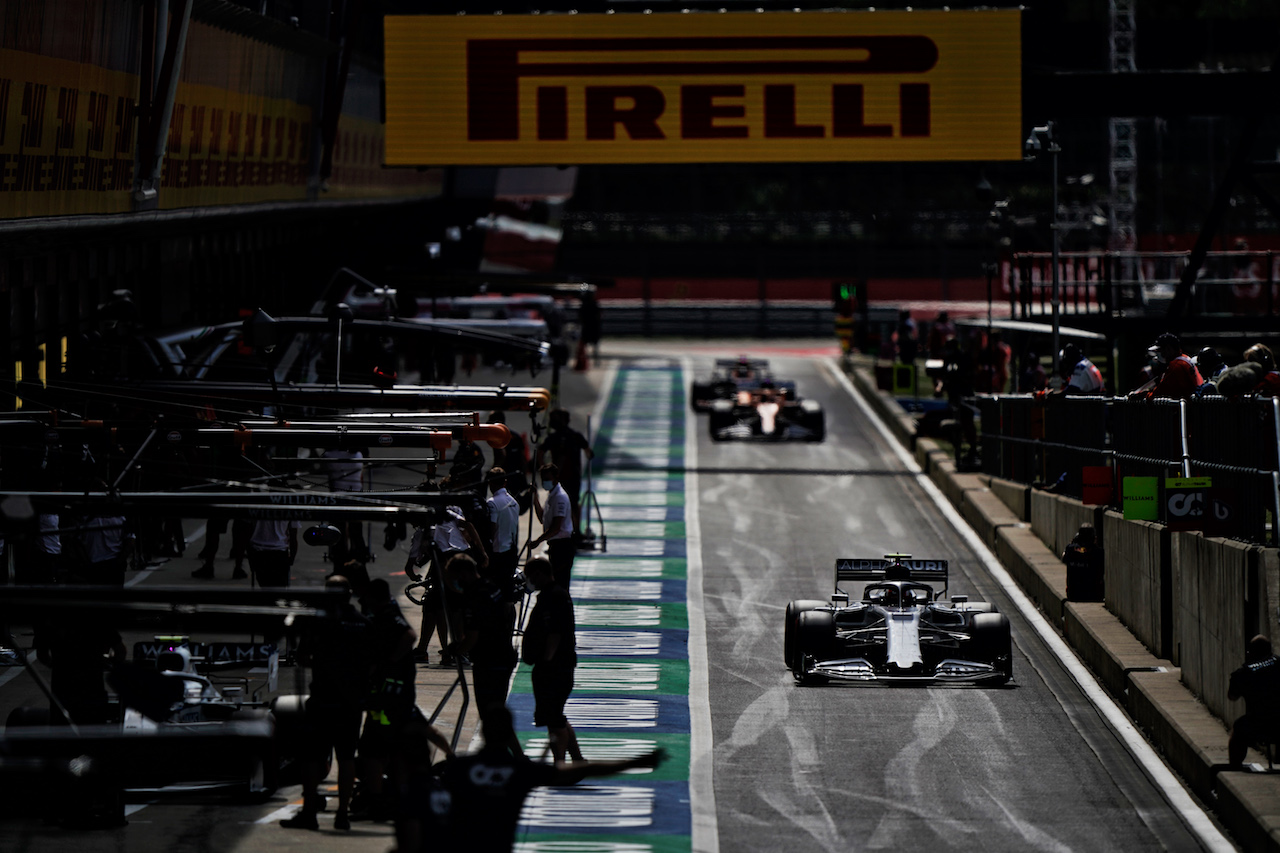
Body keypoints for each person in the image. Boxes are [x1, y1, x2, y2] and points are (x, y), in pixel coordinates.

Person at [397, 704, 663, 853]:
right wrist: (633, 762)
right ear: (509, 733)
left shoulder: (457, 769)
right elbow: (584, 769)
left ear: (486, 731)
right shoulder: (521, 772)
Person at [281, 575, 371, 831]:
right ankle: (342, 814)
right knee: (346, 757)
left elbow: (302, 657)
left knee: (311, 757)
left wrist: (323, 664)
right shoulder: (363, 623)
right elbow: (372, 662)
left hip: (323, 698)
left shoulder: (319, 622)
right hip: (351, 702)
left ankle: (309, 812)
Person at [354, 578, 418, 822]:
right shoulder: (383, 614)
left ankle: (379, 801)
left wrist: (388, 663)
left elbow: (409, 636)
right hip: (389, 695)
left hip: (389, 697)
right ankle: (389, 797)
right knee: (385, 747)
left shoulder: (388, 615)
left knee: (371, 749)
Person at [443, 554, 520, 729]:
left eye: (454, 578)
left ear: (463, 573)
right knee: (495, 714)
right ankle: (512, 754)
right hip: (501, 654)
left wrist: (456, 650)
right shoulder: (489, 587)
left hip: (490, 660)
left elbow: (472, 636)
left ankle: (510, 754)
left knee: (491, 715)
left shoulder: (476, 596)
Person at [520, 556, 582, 766]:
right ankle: (577, 761)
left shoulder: (554, 596)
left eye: (530, 575)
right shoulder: (550, 595)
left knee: (554, 720)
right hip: (555, 666)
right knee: (557, 717)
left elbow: (555, 633)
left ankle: (560, 764)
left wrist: (546, 661)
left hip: (555, 667)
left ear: (539, 573)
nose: (529, 580)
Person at [536, 409, 594, 537]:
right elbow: (589, 452)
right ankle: (576, 531)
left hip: (561, 477)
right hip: (570, 476)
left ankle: (573, 531)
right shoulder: (573, 436)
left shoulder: (556, 437)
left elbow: (540, 452)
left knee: (563, 503)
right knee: (571, 504)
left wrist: (544, 469)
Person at [1227, 634, 1280, 768]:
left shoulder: (1243, 673)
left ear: (1250, 653)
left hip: (1257, 723)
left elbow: (1232, 696)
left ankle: (1235, 766)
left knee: (1238, 728)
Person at [934, 337, 979, 470]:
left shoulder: (964, 359)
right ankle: (958, 447)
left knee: (967, 423)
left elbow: (970, 377)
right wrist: (940, 387)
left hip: (965, 398)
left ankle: (972, 449)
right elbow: (942, 377)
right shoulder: (948, 361)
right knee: (950, 425)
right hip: (953, 399)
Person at [321, 441, 369, 564]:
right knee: (356, 530)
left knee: (338, 531)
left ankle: (339, 559)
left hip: (338, 498)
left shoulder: (329, 456)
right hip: (356, 497)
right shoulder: (358, 455)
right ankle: (359, 558)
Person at [532, 463, 575, 588]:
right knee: (555, 582)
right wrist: (535, 498)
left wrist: (538, 541)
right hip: (555, 546)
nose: (545, 482)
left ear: (556, 478)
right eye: (543, 479)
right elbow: (542, 518)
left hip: (562, 546)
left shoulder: (560, 497)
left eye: (547, 479)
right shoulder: (551, 496)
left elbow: (556, 528)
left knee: (560, 583)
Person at [1132, 333, 1202, 401]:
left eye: (1160, 350)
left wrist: (1145, 396)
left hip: (1187, 406)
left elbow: (1162, 390)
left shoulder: (1176, 365)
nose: (1159, 354)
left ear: (1168, 349)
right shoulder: (1185, 358)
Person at [486, 466, 522, 596]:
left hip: (497, 553)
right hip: (511, 552)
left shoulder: (492, 503)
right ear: (505, 482)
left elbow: (492, 528)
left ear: (490, 483)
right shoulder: (514, 502)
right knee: (508, 592)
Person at [245, 517, 299, 587]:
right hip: (280, 551)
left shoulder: (257, 507)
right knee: (280, 587)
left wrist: (249, 553)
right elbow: (293, 535)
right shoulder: (289, 508)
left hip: (259, 550)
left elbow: (247, 530)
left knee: (264, 585)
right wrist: (292, 557)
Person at [1062, 523, 1104, 601]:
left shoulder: (1070, 549)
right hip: (1093, 596)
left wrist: (1073, 543)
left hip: (1073, 595)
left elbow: (1064, 558)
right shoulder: (1098, 552)